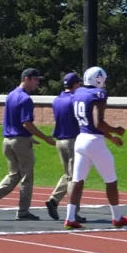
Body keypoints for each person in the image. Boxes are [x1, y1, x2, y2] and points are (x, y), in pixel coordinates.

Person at [63, 66, 127, 230]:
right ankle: (117, 217)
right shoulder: (98, 94)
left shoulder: (79, 92)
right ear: (99, 79)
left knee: (77, 180)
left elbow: (90, 124)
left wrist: (110, 137)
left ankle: (69, 217)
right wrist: (116, 130)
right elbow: (98, 124)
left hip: (80, 139)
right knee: (111, 180)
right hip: (94, 141)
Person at [0, 68, 56, 220]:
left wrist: (29, 137)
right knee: (27, 178)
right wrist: (45, 138)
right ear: (27, 79)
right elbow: (26, 124)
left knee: (14, 174)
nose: (37, 83)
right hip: (20, 141)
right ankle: (23, 212)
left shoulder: (11, 95)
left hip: (8, 141)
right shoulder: (26, 99)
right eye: (36, 80)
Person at [45, 72, 86, 223]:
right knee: (77, 178)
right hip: (72, 140)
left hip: (60, 140)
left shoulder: (57, 100)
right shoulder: (74, 100)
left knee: (69, 175)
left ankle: (55, 200)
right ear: (75, 84)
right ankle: (72, 211)